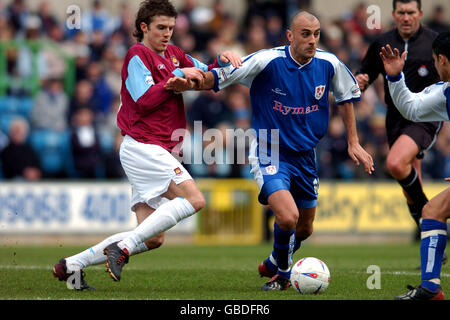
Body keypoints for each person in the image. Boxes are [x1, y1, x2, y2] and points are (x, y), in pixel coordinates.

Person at [166, 11, 374, 291]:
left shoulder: (329, 63)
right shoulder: (266, 61)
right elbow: (215, 78)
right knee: (288, 216)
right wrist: (187, 84)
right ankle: (283, 277)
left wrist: (353, 141)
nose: (312, 41)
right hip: (270, 150)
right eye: (305, 34)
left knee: (305, 228)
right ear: (290, 36)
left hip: (305, 156)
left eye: (316, 35)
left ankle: (276, 259)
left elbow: (347, 97)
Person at [52, 0, 242, 289]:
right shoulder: (136, 55)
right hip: (142, 145)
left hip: (155, 149)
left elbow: (205, 73)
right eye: (161, 28)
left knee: (152, 237)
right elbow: (143, 101)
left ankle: (71, 265)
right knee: (195, 200)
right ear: (143, 27)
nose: (167, 34)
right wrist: (176, 78)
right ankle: (123, 248)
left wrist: (223, 59)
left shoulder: (176, 55)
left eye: (171, 28)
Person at [355, 0, 444, 245]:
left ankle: (429, 216)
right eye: (401, 13)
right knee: (410, 181)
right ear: (394, 14)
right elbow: (365, 74)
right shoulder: (382, 42)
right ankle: (430, 238)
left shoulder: (433, 42)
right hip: (395, 117)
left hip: (426, 116)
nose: (406, 17)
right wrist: (361, 81)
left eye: (411, 13)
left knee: (395, 163)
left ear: (420, 14)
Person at [379, 32, 450, 300]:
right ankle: (431, 289)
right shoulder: (445, 91)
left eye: (435, 61)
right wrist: (395, 77)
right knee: (432, 212)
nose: (434, 66)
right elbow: (411, 109)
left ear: (442, 59)